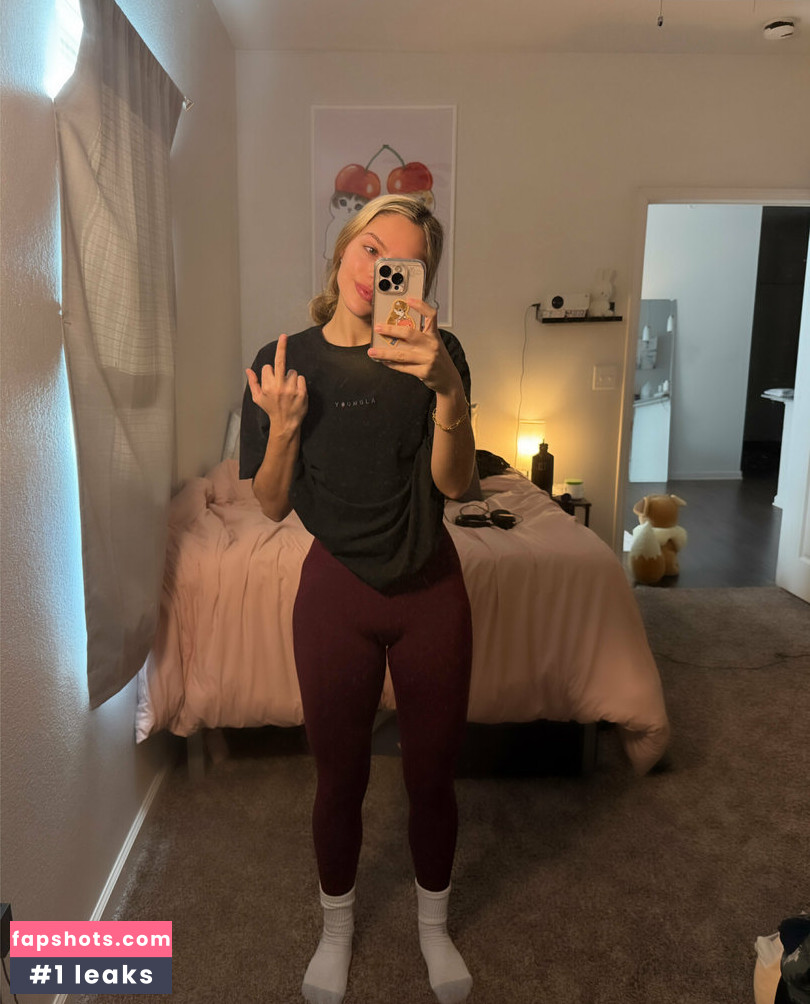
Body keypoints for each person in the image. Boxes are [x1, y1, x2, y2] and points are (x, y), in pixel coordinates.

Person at [240, 195, 476, 1004]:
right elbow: (271, 505)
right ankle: (336, 929)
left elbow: (456, 485)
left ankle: (433, 927)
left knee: (432, 776)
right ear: (343, 247)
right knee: (338, 778)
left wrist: (448, 392)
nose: (376, 271)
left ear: (420, 281)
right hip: (335, 591)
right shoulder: (284, 360)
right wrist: (282, 426)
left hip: (430, 586)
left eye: (400, 264)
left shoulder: (440, 355)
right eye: (369, 247)